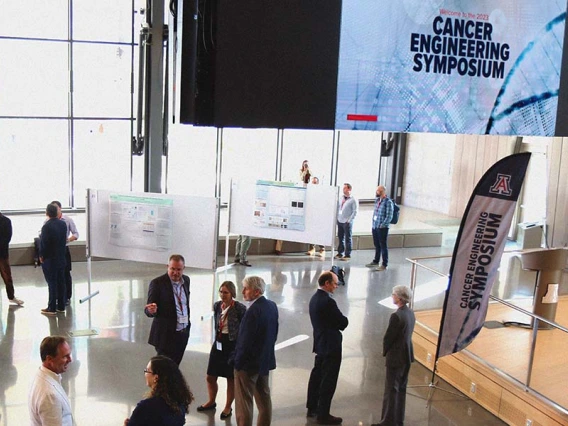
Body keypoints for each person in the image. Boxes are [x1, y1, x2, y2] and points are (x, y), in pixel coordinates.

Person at [197, 281, 247, 420]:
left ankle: (227, 406)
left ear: (232, 293)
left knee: (231, 378)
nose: (222, 295)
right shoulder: (217, 305)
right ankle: (211, 401)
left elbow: (244, 328)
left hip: (232, 345)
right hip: (218, 343)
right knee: (210, 376)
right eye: (221, 291)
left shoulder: (239, 308)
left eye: (226, 292)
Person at [234, 276, 279, 426]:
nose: (243, 291)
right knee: (264, 399)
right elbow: (274, 334)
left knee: (244, 403)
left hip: (248, 365)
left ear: (257, 292)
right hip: (264, 361)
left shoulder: (253, 312)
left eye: (246, 288)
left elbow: (245, 342)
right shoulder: (272, 306)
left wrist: (237, 363)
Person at [306, 271, 349, 425]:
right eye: (335, 283)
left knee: (317, 375)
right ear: (327, 283)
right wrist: (344, 320)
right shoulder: (328, 302)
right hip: (331, 345)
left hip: (320, 342)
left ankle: (312, 406)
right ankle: (323, 414)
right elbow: (342, 322)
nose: (336, 287)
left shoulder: (314, 298)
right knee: (328, 379)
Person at [372, 285, 415, 426]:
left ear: (399, 297)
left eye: (393, 294)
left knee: (391, 390)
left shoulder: (396, 316)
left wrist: (385, 351)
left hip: (396, 357)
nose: (392, 296)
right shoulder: (410, 313)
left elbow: (389, 338)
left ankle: (387, 421)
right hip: (406, 355)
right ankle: (398, 420)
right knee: (401, 389)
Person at [144, 254, 191, 365]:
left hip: (182, 333)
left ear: (183, 268)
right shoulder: (157, 283)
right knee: (163, 371)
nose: (175, 272)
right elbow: (148, 309)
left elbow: (184, 304)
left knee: (175, 368)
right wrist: (151, 310)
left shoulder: (186, 280)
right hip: (165, 336)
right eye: (172, 269)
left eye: (179, 269)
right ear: (167, 267)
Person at [124, 355, 194, 426]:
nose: (145, 373)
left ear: (156, 378)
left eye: (147, 371)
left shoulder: (145, 407)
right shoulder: (180, 402)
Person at [29, 336, 74, 426]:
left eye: (70, 355)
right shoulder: (49, 395)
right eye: (65, 356)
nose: (70, 360)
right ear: (49, 359)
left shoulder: (42, 375)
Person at [39, 204, 68, 315]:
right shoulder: (63, 224)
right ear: (57, 213)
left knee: (52, 283)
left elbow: (44, 243)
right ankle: (61, 306)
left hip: (50, 259)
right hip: (61, 257)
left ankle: (51, 307)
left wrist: (42, 255)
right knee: (61, 282)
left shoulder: (46, 226)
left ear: (47, 213)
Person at [51, 201, 79, 305]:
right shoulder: (48, 221)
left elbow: (76, 234)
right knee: (55, 274)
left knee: (66, 273)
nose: (54, 210)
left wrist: (68, 239)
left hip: (64, 249)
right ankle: (58, 296)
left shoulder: (67, 220)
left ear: (60, 208)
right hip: (53, 251)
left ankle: (67, 296)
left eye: (56, 208)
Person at [366, 186, 394, 271]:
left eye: (379, 191)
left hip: (382, 228)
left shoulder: (388, 202)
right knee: (377, 245)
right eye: (377, 190)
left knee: (383, 245)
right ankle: (376, 261)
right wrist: (374, 225)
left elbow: (389, 216)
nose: (377, 192)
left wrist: (383, 225)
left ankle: (384, 264)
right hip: (375, 226)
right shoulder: (377, 200)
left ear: (383, 192)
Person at [0, 210, 24, 306]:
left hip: (2, 254)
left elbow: (7, 238)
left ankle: (11, 297)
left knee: (7, 276)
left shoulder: (6, 221)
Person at [335, 183, 358, 261]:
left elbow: (355, 211)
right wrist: (336, 218)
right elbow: (338, 208)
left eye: (345, 188)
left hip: (347, 221)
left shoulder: (353, 199)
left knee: (348, 238)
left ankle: (347, 254)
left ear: (349, 189)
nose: (343, 189)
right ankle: (340, 253)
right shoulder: (341, 198)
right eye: (343, 188)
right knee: (340, 237)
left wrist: (349, 220)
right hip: (340, 220)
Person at [306, 177, 326, 258]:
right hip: (311, 215)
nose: (313, 184)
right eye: (312, 182)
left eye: (315, 183)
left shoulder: (321, 193)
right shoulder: (310, 192)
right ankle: (312, 248)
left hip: (320, 215)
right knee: (311, 232)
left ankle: (322, 249)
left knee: (320, 232)